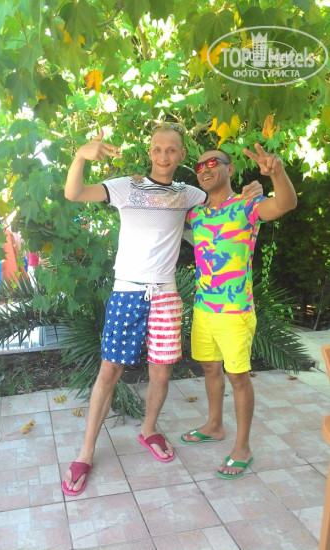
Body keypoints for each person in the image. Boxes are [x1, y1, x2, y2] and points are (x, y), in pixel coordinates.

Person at [62, 123, 261, 496]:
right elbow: (73, 192)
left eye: (172, 150)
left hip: (166, 294)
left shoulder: (190, 194)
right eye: (157, 149)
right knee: (109, 372)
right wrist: (80, 156)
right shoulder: (127, 186)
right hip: (127, 290)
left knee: (161, 373)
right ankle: (86, 452)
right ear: (150, 152)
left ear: (182, 155)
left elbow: (225, 201)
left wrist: (256, 189)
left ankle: (149, 430)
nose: (164, 156)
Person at [181, 144, 297, 480]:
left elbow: (286, 203)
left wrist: (276, 173)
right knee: (209, 367)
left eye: (212, 163)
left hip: (235, 311)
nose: (204, 169)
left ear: (230, 169)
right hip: (203, 307)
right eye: (199, 166)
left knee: (238, 377)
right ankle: (214, 425)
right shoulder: (196, 214)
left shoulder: (248, 205)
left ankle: (242, 448)